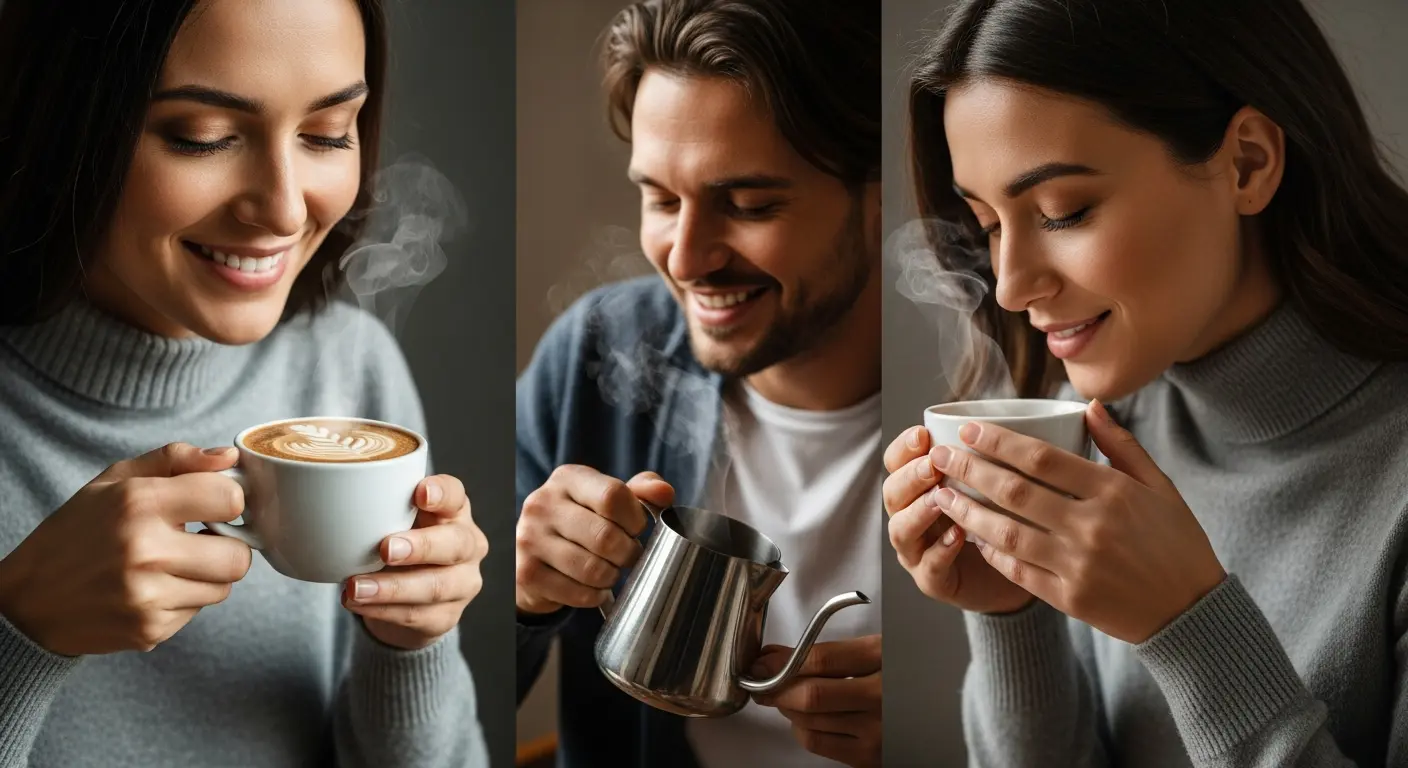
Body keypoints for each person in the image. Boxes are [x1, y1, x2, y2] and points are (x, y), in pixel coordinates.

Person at [883, 1, 1408, 766]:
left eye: (1064, 211)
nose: (1009, 286)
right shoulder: (1092, 430)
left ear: (1248, 164)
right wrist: (1012, 610)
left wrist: (1191, 626)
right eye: (990, 226)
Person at [0, 2, 489, 766]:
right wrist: (19, 632)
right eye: (205, 138)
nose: (285, 208)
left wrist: (411, 646)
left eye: (328, 134)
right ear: (67, 119)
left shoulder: (348, 364)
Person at [514, 0, 882, 765]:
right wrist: (517, 602)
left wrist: (947, 727)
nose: (685, 259)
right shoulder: (594, 357)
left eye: (748, 205)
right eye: (660, 199)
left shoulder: (987, 397)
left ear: (880, 194)